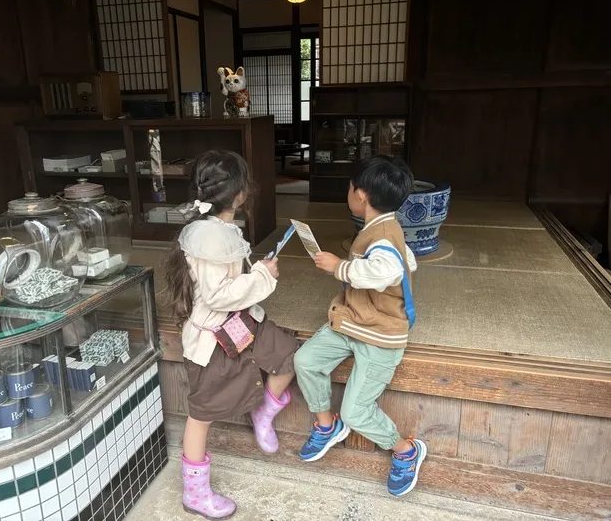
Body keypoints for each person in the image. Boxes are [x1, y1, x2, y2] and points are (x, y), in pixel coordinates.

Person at [165, 150, 298, 519]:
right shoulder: (209, 236)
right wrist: (262, 278)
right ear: (240, 194)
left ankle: (263, 414)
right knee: (201, 415)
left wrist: (256, 272)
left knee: (289, 356)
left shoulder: (217, 229)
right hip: (213, 338)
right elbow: (217, 295)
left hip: (243, 322)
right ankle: (195, 493)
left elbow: (226, 285)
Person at [293, 155, 426, 497]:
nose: (348, 192)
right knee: (306, 361)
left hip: (380, 334)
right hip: (353, 320)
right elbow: (404, 258)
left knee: (355, 411)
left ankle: (405, 451)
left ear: (362, 195)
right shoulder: (383, 227)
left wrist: (340, 267)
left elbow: (387, 270)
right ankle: (326, 425)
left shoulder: (381, 235)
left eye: (350, 187)